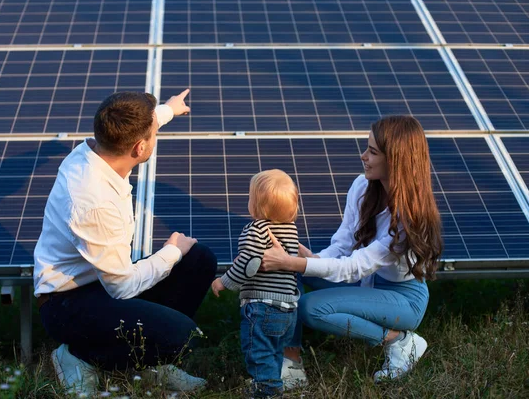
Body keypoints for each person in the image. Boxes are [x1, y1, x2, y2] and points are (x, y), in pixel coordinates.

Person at [33, 89, 218, 395]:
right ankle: (77, 357)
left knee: (199, 260)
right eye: (152, 134)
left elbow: (140, 130)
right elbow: (122, 287)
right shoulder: (93, 202)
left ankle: (146, 361)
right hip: (67, 301)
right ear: (139, 147)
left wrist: (169, 110)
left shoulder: (98, 149)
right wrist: (171, 251)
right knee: (180, 335)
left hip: (99, 278)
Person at [261, 115, 443, 386]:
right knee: (290, 272)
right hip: (366, 281)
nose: (363, 156)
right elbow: (343, 245)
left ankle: (400, 341)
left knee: (310, 308)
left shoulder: (409, 217)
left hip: (403, 298)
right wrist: (312, 259)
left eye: (372, 151)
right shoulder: (362, 186)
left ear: (395, 159)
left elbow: (355, 265)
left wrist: (295, 263)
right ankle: (291, 363)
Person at [211, 169, 300, 397]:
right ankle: (273, 382)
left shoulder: (255, 229)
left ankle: (268, 392)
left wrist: (224, 281)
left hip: (263, 306)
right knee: (274, 350)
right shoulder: (291, 230)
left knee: (258, 352)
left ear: (257, 206)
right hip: (289, 308)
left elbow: (247, 265)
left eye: (250, 198)